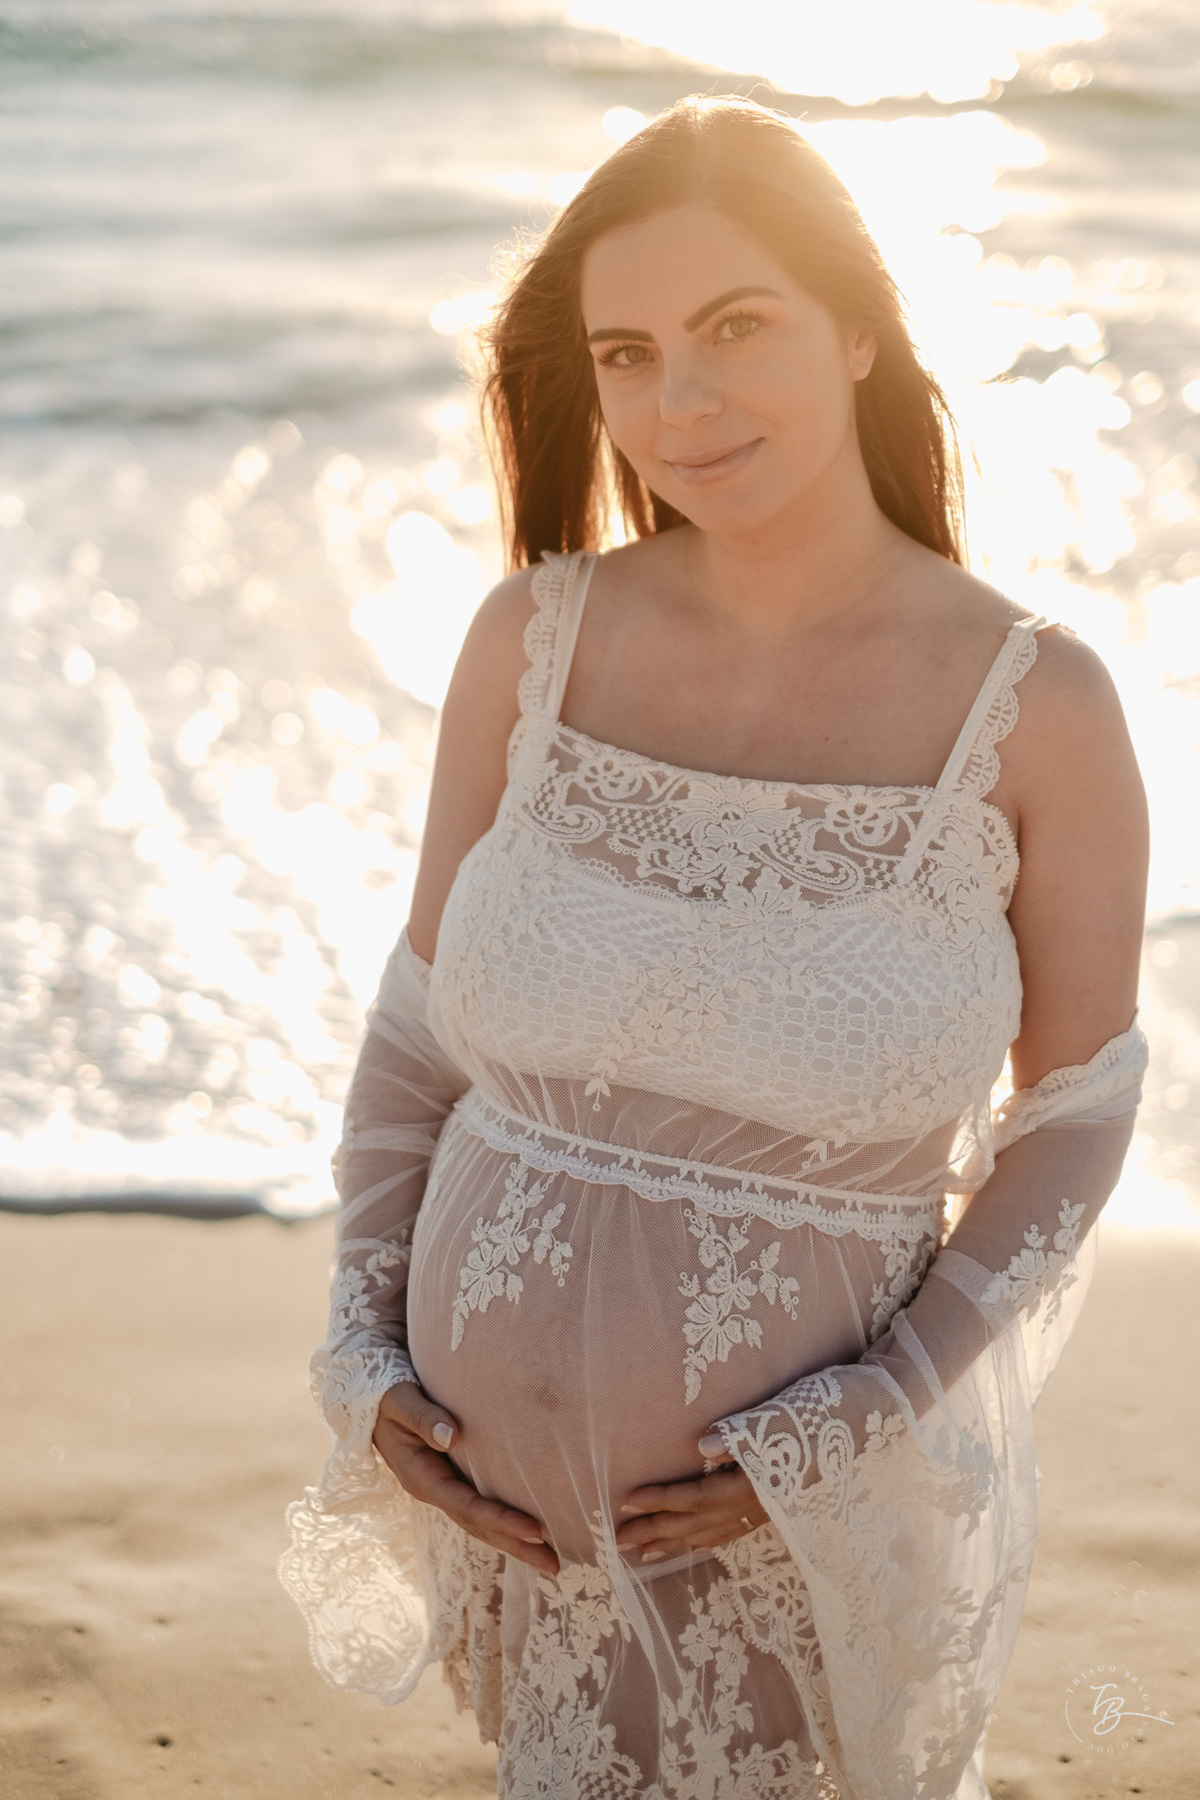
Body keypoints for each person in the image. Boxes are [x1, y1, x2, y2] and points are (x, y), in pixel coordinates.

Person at [280, 96, 1149, 1800]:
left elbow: (1077, 1117)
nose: (681, 403)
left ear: (860, 330)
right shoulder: (531, 637)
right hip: (503, 1522)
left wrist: (861, 1420)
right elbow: (417, 1033)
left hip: (800, 1526)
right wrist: (361, 1345)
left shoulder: (1039, 704)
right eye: (629, 351)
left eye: (737, 329)